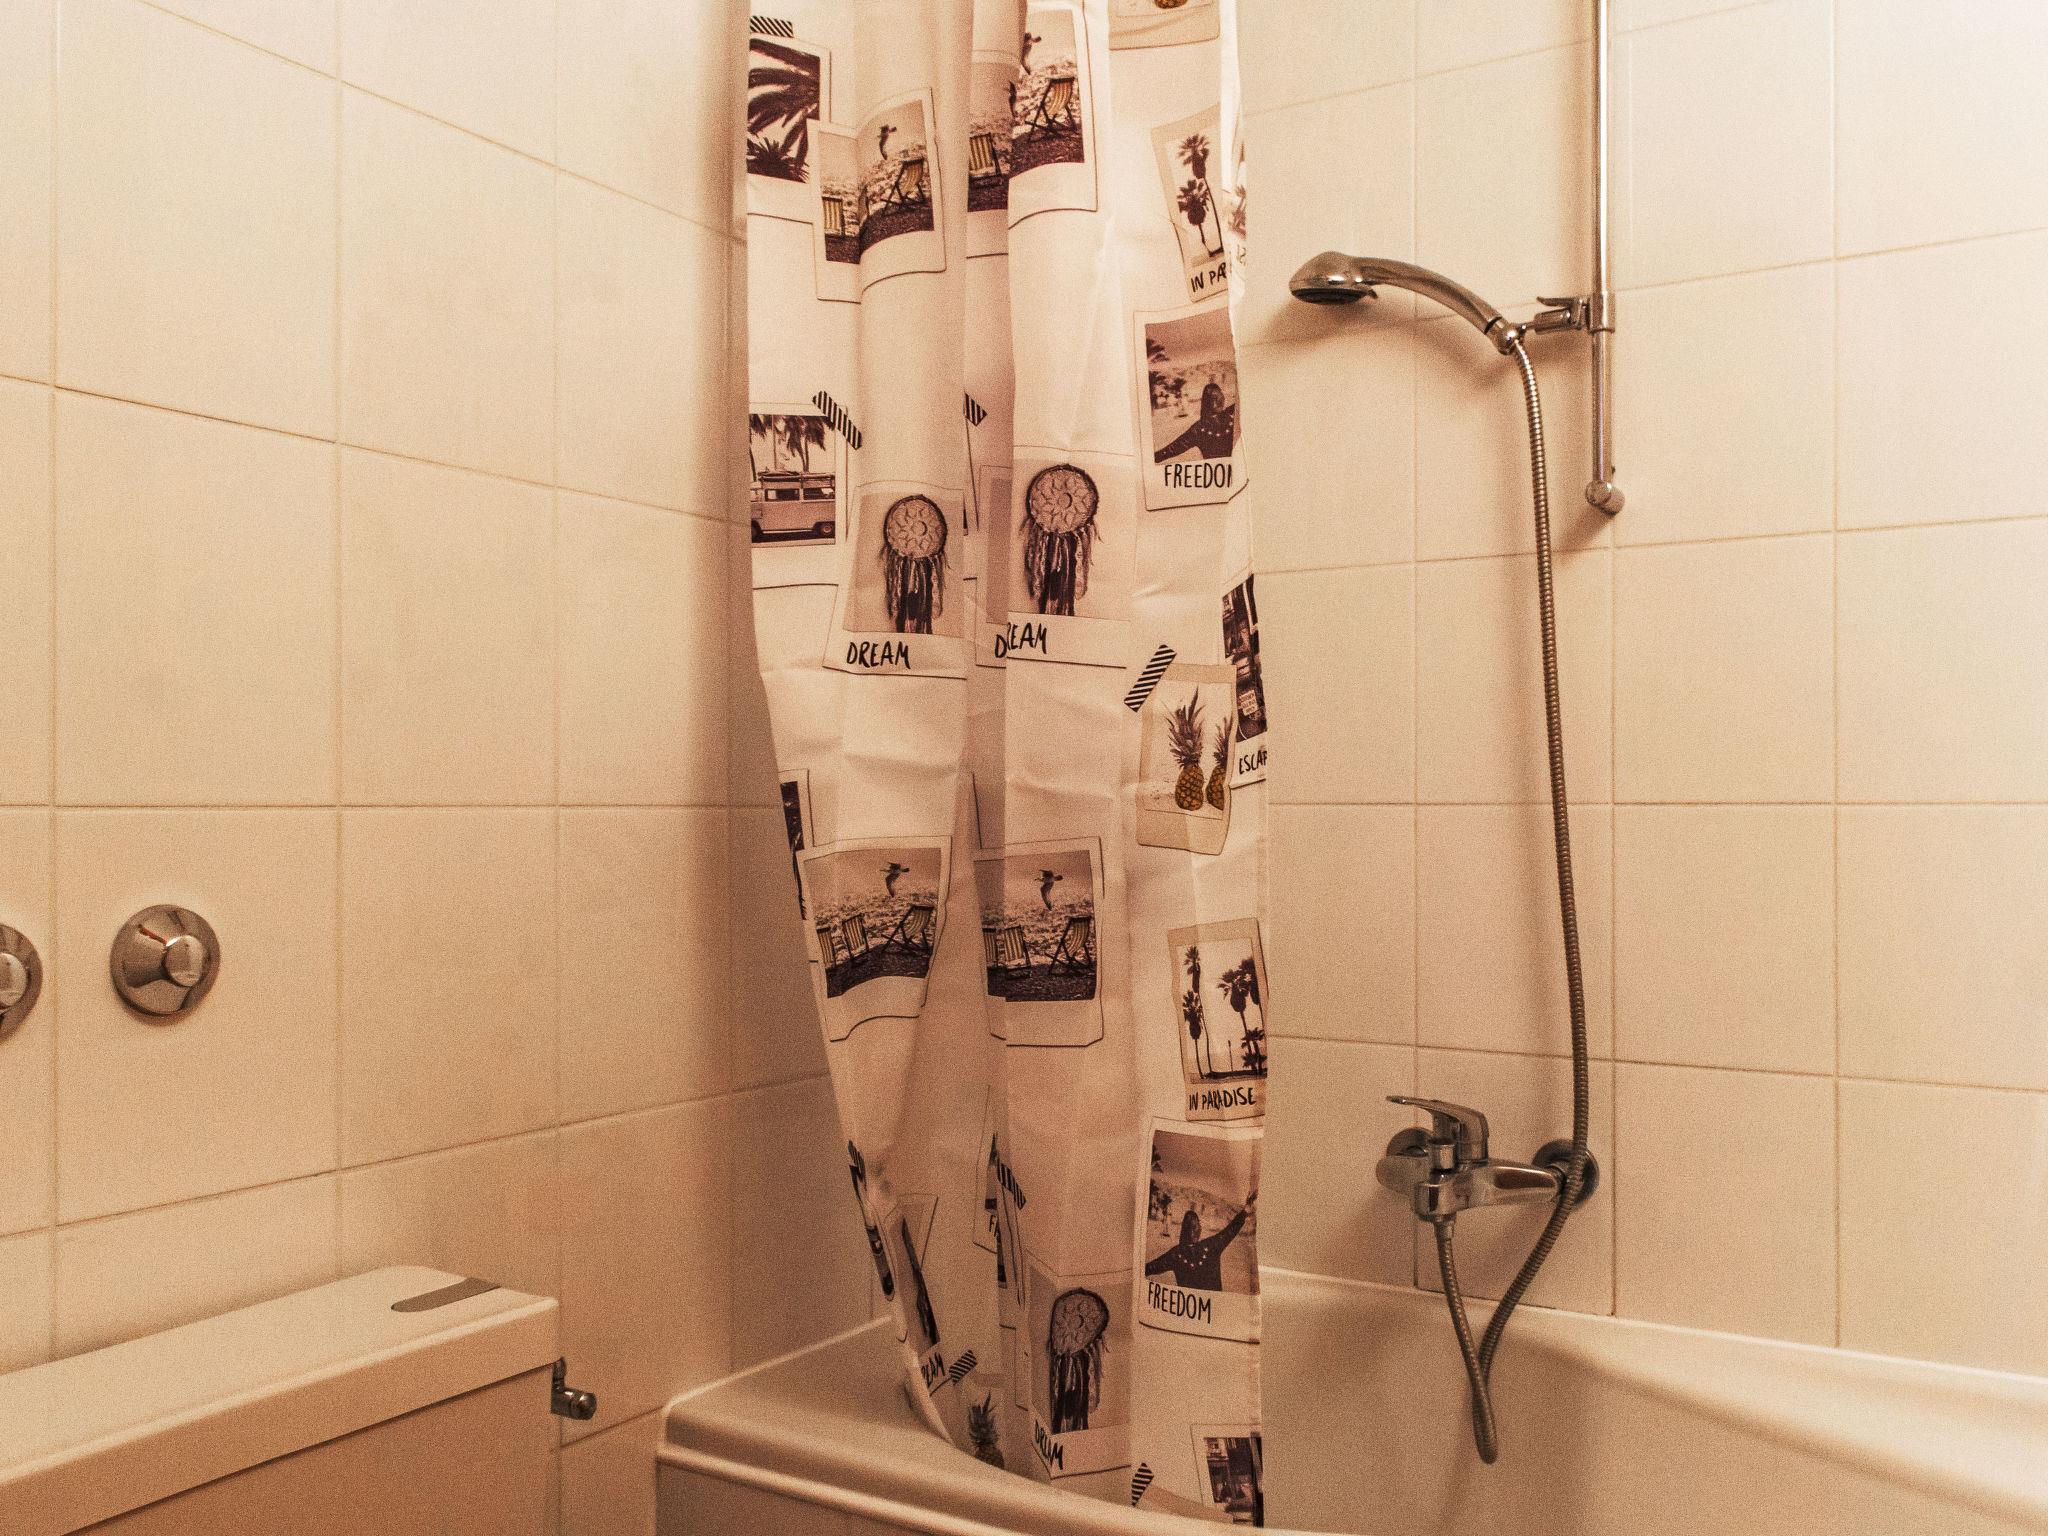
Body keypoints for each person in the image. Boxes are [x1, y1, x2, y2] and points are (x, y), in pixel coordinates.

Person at [1144, 1190, 1255, 1291]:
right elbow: (1230, 1231)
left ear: (1183, 1230)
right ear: (1199, 1229)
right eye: (1198, 1224)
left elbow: (1149, 1268)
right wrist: (1245, 1212)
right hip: (1214, 1303)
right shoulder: (1211, 1246)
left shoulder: (1175, 1255)